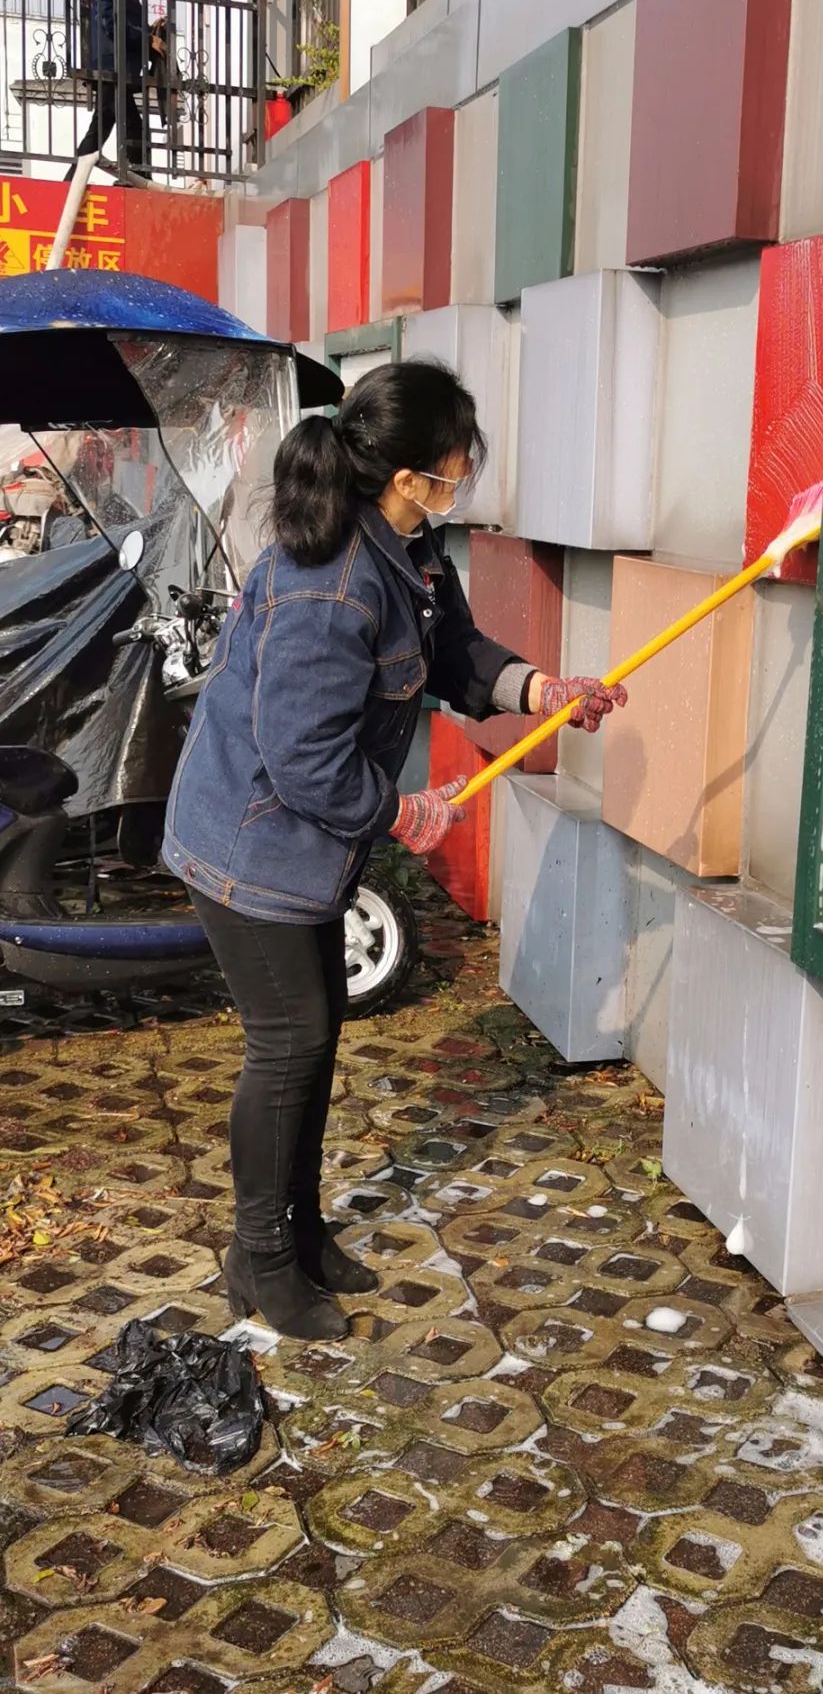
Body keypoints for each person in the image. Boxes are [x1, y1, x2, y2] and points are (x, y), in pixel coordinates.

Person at [162, 360, 627, 1341]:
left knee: (316, 1030)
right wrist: (402, 812)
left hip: (304, 840)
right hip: (252, 842)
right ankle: (260, 1256)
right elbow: (301, 756)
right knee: (289, 1040)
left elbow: (454, 651)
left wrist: (541, 690)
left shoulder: (408, 551)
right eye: (459, 458)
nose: (468, 472)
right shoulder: (333, 586)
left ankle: (298, 1228)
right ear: (413, 474)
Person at [66, 0, 149, 182]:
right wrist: (144, 37)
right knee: (123, 126)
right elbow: (111, 23)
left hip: (116, 66)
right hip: (112, 66)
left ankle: (74, 179)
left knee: (109, 125)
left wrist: (147, 34)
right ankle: (138, 178)